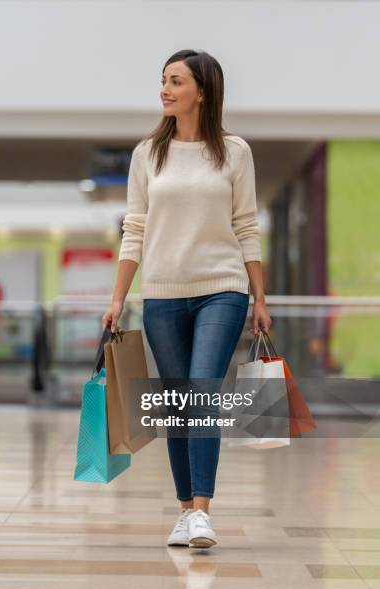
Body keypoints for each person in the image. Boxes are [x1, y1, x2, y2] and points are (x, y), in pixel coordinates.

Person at [102, 49, 272, 549]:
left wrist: (259, 297)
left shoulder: (234, 152)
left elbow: (246, 227)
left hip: (223, 289)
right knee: (178, 403)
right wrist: (117, 298)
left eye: (175, 81)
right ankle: (183, 511)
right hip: (163, 295)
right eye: (163, 80)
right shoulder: (147, 154)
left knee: (201, 390)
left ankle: (202, 510)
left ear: (202, 90)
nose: (165, 89)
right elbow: (134, 230)